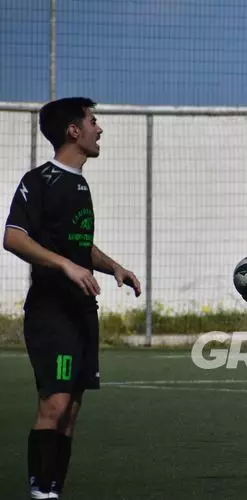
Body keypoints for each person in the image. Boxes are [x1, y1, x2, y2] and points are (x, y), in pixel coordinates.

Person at [3, 97, 142, 499]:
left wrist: (113, 266)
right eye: (93, 121)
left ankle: (52, 490)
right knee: (55, 403)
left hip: (82, 311)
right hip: (52, 311)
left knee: (72, 409)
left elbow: (79, 246)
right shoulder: (40, 180)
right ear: (73, 131)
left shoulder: (80, 184)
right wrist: (65, 266)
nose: (100, 129)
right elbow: (13, 237)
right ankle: (40, 492)